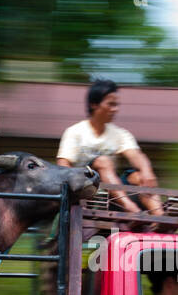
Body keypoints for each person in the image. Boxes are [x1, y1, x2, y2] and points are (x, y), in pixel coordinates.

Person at [56, 79, 166, 222]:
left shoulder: (120, 134)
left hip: (112, 192)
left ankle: (160, 217)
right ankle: (131, 209)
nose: (115, 109)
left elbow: (135, 155)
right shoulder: (75, 132)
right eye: (111, 104)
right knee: (103, 161)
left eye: (117, 105)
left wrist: (147, 171)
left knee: (138, 176)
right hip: (86, 189)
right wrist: (74, 189)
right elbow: (63, 164)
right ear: (94, 105)